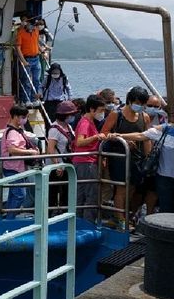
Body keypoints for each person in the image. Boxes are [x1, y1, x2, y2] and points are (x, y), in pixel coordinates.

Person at [101, 86, 152, 223]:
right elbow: (104, 133)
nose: (140, 106)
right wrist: (122, 140)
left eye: (142, 104)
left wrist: (149, 157)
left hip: (137, 158)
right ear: (129, 100)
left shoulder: (144, 117)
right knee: (121, 188)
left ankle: (126, 215)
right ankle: (120, 219)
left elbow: (146, 138)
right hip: (119, 157)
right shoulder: (116, 114)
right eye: (137, 103)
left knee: (133, 188)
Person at [117, 122, 174, 213]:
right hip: (164, 178)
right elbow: (141, 135)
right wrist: (119, 135)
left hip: (165, 179)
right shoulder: (165, 130)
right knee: (166, 210)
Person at [72, 94, 108, 222]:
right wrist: (96, 137)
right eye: (101, 111)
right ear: (92, 109)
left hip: (83, 162)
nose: (102, 113)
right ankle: (87, 223)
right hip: (86, 162)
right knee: (91, 195)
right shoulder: (85, 123)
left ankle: (79, 222)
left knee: (81, 194)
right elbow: (79, 142)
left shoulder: (88, 122)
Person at [0, 104, 40, 219]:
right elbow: (12, 149)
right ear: (16, 117)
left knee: (14, 195)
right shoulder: (12, 132)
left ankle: (9, 217)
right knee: (19, 195)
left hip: (17, 167)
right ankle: (9, 218)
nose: (25, 119)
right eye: (24, 117)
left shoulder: (18, 130)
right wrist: (30, 152)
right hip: (13, 167)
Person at [46, 101, 77, 214]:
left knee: (66, 192)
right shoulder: (54, 129)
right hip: (57, 166)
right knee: (53, 193)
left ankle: (64, 214)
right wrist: (57, 164)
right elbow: (50, 149)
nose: (73, 117)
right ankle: (49, 216)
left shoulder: (68, 127)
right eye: (71, 114)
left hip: (67, 164)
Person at [15, 14, 42, 105]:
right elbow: (18, 48)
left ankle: (34, 99)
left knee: (36, 80)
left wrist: (41, 50)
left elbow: (36, 42)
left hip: (36, 58)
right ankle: (25, 100)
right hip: (27, 58)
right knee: (26, 80)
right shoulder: (21, 33)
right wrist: (23, 61)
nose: (31, 25)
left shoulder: (36, 31)